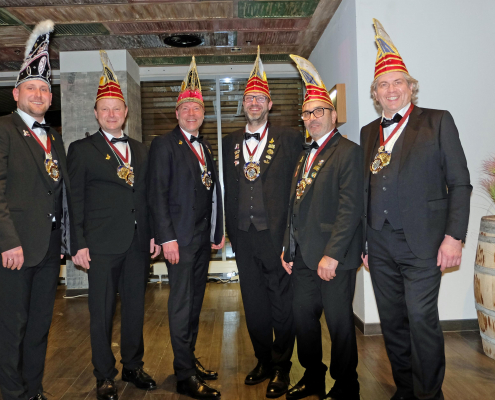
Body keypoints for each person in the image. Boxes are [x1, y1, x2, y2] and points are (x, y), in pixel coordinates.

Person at [360, 20, 472, 400]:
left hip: (424, 242)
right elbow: (364, 191)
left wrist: (454, 236)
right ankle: (405, 390)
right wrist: (364, 243)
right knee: (392, 323)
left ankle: (429, 395)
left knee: (422, 319)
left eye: (398, 82)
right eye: (383, 84)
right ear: (375, 93)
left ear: (411, 87)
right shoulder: (367, 132)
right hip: (379, 244)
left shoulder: (438, 121)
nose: (391, 89)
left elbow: (460, 183)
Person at [68, 51, 160, 400]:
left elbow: (147, 196)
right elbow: (74, 200)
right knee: (101, 312)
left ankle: (133, 366)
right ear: (96, 113)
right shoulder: (82, 150)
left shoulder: (141, 149)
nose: (111, 114)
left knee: (135, 308)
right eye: (104, 109)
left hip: (138, 243)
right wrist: (77, 243)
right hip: (101, 245)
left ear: (126, 112)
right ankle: (104, 375)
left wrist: (153, 234)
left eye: (116, 108)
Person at [0, 20, 76, 400]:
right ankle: (12, 393)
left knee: (40, 326)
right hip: (15, 249)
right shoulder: (3, 129)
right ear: (16, 93)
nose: (39, 93)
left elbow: (59, 194)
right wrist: (7, 242)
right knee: (11, 327)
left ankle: (33, 389)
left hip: (48, 251)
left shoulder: (55, 138)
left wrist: (65, 241)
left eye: (44, 88)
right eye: (31, 87)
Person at [282, 55, 363, 400]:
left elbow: (350, 208)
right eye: (306, 113)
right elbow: (295, 205)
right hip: (302, 257)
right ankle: (312, 377)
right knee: (303, 320)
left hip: (333, 258)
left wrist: (332, 255)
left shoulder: (349, 152)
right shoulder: (304, 155)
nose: (312, 118)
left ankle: (346, 385)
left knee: (340, 324)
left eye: (318, 111)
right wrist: (287, 247)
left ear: (333, 115)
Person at [222, 46, 302, 399]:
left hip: (277, 235)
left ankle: (282, 367)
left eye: (259, 98)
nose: (253, 103)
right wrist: (227, 231)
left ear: (269, 104)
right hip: (243, 236)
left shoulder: (290, 138)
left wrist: (293, 237)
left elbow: (300, 186)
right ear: (243, 104)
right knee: (253, 304)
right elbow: (228, 189)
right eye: (248, 98)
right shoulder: (230, 142)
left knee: (282, 304)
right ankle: (263, 360)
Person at [147, 57, 224, 400]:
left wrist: (216, 232)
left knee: (194, 304)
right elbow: (157, 194)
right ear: (176, 113)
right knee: (181, 305)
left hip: (201, 241)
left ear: (203, 114)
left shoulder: (205, 146)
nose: (191, 113)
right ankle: (183, 375)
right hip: (178, 241)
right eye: (186, 108)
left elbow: (212, 194)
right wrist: (167, 238)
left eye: (197, 108)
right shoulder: (164, 145)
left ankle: (188, 359)